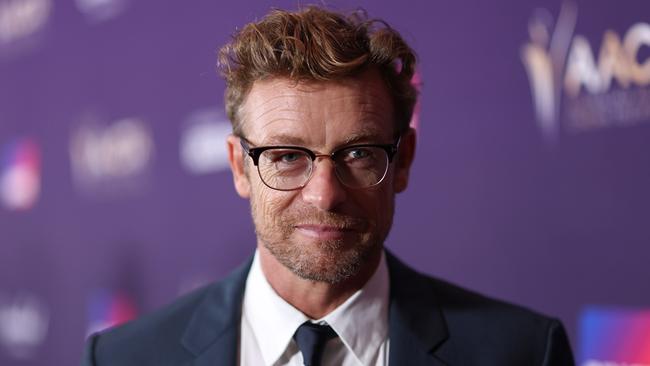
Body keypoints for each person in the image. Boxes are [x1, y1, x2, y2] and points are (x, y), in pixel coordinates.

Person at [82, 6, 575, 366]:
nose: (324, 194)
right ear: (238, 167)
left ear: (402, 161)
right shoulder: (126, 358)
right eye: (287, 157)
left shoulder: (523, 352)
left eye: (358, 153)